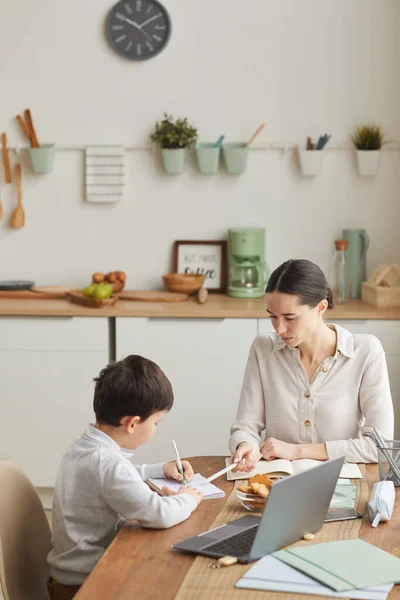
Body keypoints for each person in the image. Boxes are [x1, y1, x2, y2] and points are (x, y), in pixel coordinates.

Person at [47, 354, 202, 600]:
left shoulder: (85, 447)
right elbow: (158, 514)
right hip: (86, 586)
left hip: (66, 577)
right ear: (132, 424)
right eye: (157, 422)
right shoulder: (107, 463)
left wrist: (160, 469)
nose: (156, 429)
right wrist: (188, 499)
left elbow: (113, 480)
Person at [230, 259, 394, 472]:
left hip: (343, 481)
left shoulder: (365, 351)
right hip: (277, 481)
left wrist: (298, 451)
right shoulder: (263, 349)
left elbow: (379, 447)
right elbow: (246, 427)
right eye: (272, 317)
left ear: (321, 307)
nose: (279, 328)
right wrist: (245, 445)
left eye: (290, 317)